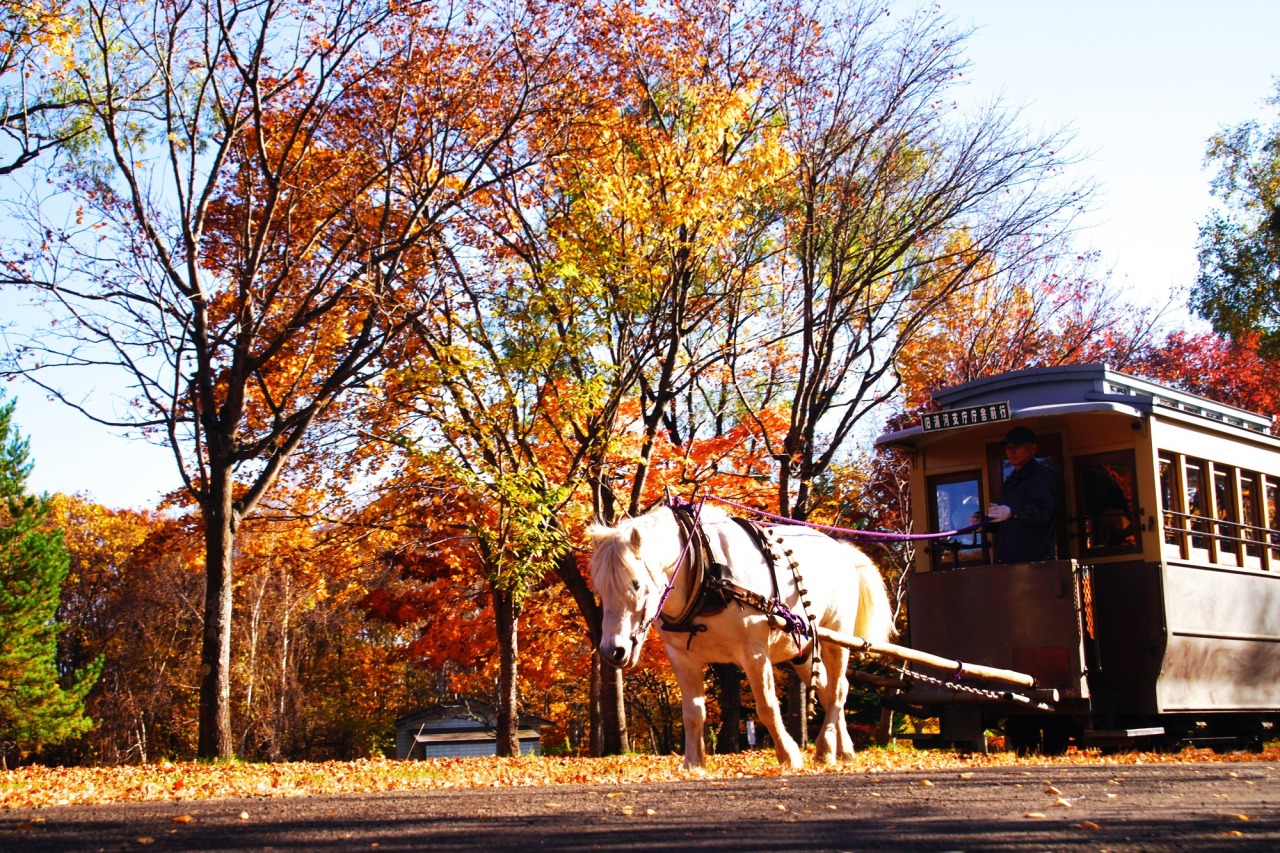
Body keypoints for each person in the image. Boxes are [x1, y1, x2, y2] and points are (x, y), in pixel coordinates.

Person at [976, 425, 1059, 563]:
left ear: (1032, 448)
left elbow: (1042, 513)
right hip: (1008, 561)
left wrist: (1012, 512)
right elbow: (1009, 523)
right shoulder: (1011, 480)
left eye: (1017, 446)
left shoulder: (1041, 476)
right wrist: (984, 522)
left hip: (1035, 561)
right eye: (1008, 447)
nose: (1012, 451)